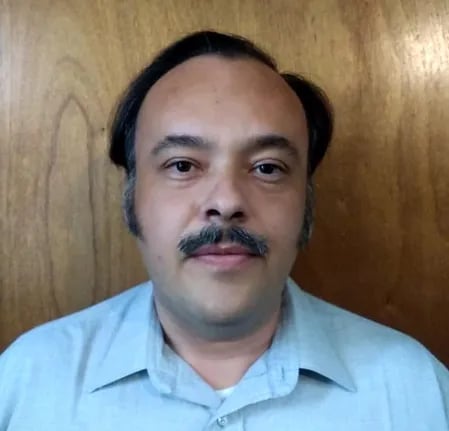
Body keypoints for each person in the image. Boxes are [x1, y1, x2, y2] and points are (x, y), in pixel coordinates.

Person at [0, 30, 448, 431]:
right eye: (182, 165)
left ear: (306, 202)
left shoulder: (417, 392)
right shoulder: (26, 384)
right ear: (131, 197)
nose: (227, 201)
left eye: (267, 167)